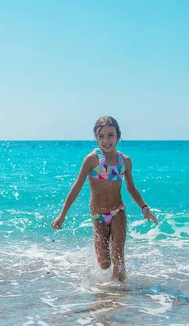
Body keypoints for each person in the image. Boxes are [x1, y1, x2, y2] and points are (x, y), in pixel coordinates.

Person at [51, 116, 158, 281]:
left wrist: (144, 208)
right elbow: (77, 187)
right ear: (96, 137)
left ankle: (119, 297)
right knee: (104, 263)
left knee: (118, 256)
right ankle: (108, 292)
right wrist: (63, 214)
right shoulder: (92, 160)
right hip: (98, 215)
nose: (106, 140)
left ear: (118, 136)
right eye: (101, 136)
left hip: (117, 210)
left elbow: (131, 188)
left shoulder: (125, 161)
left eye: (111, 135)